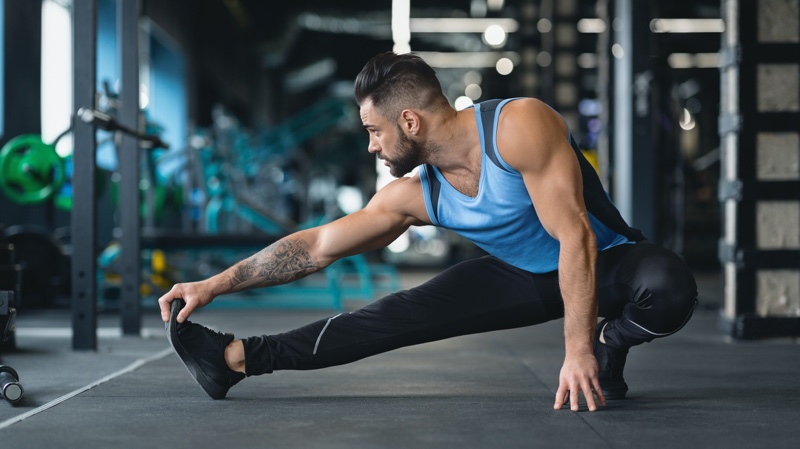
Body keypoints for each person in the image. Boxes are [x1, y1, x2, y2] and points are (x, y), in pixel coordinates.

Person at [159, 52, 698, 412]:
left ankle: (612, 342)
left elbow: (576, 236)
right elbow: (317, 247)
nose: (371, 145)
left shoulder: (517, 126)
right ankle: (234, 359)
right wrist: (214, 285)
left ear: (410, 122)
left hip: (606, 263)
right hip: (518, 275)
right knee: (389, 318)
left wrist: (580, 348)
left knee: (668, 286)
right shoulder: (416, 195)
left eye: (375, 131)